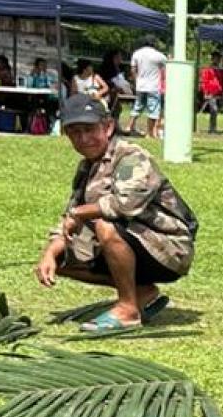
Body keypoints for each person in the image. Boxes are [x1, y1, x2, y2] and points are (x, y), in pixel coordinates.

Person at [34, 95, 198, 334]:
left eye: (89, 129)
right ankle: (142, 291)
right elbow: (70, 216)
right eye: (74, 132)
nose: (83, 138)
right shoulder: (87, 167)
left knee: (104, 224)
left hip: (168, 247)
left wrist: (79, 213)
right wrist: (49, 253)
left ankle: (128, 310)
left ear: (108, 127)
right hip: (132, 244)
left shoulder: (131, 156)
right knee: (61, 259)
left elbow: (123, 205)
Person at [126, 39, 167, 138]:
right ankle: (150, 133)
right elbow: (165, 71)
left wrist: (137, 81)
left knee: (137, 106)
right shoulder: (159, 56)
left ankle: (129, 126)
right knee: (153, 109)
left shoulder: (136, 53)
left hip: (140, 85)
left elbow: (133, 69)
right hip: (153, 86)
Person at [199, 51, 223, 134]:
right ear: (212, 59)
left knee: (215, 111)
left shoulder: (222, 71)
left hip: (218, 93)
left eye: (218, 58)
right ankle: (212, 129)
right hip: (211, 93)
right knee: (214, 110)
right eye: (215, 58)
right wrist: (205, 92)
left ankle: (213, 128)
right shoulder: (208, 69)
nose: (217, 60)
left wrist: (222, 90)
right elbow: (204, 81)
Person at [99, 49, 131, 115]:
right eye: (120, 56)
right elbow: (108, 83)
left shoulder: (117, 69)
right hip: (109, 97)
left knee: (117, 110)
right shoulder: (108, 70)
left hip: (115, 97)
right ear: (115, 57)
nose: (121, 58)